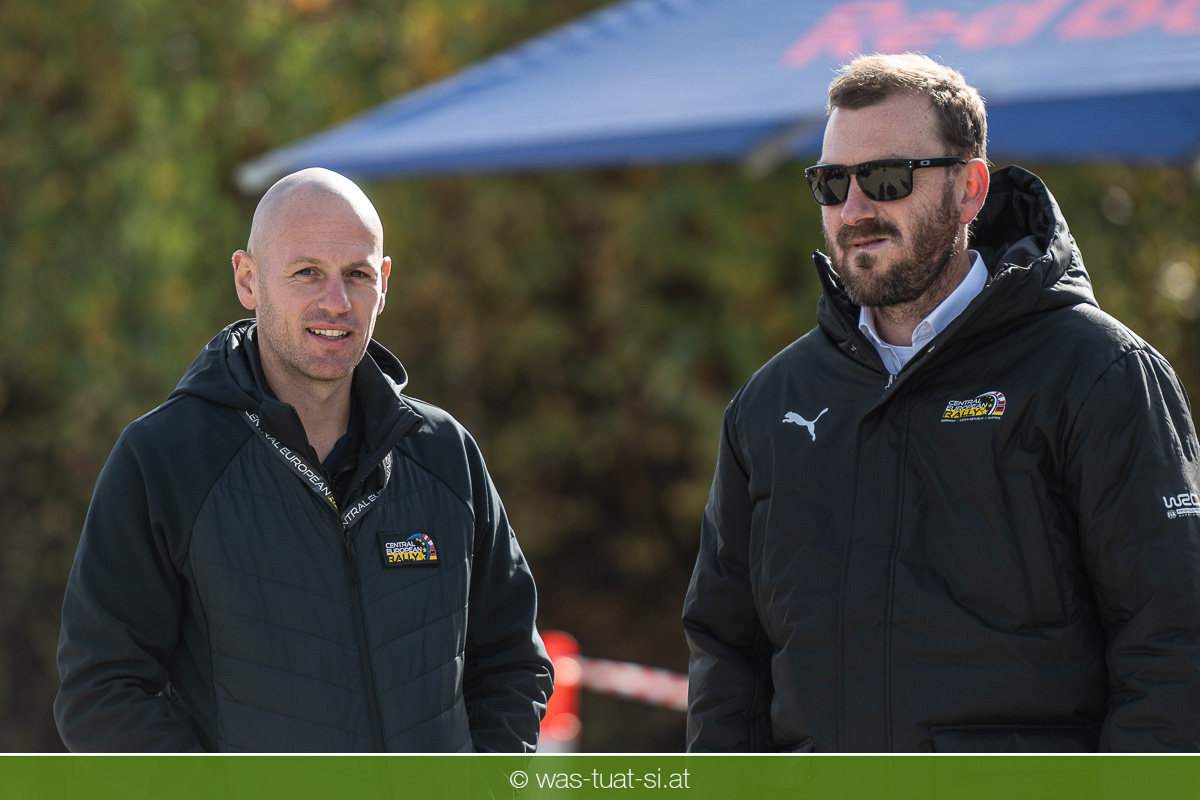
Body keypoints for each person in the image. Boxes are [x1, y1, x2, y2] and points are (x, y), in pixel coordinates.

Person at [683, 53, 1200, 752]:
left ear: (969, 189)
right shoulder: (771, 405)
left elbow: (1173, 647)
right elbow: (726, 660)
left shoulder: (1099, 374)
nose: (854, 210)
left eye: (886, 178)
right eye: (831, 183)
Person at [55, 168, 553, 752]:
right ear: (248, 279)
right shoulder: (163, 460)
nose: (335, 302)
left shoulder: (445, 454)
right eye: (307, 272)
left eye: (357, 274)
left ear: (383, 284)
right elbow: (102, 692)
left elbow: (512, 661)